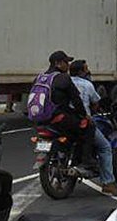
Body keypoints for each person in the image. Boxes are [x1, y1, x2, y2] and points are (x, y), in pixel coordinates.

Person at [42, 49, 99, 178]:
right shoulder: (63, 78)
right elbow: (76, 100)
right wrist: (85, 116)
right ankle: (86, 161)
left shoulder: (41, 77)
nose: (68, 66)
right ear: (58, 63)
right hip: (59, 118)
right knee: (88, 127)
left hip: (41, 120)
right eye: (66, 62)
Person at [70, 59, 117, 195]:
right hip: (82, 121)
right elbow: (95, 103)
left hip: (65, 122)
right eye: (86, 69)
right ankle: (108, 182)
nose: (88, 71)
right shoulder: (87, 85)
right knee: (105, 147)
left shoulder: (65, 82)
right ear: (81, 72)